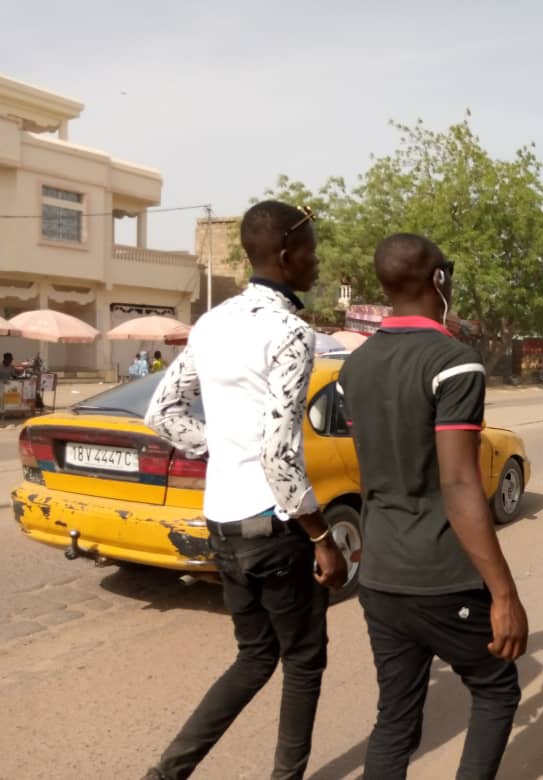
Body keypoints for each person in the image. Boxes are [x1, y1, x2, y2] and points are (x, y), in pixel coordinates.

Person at [143, 201, 347, 780]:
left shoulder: (213, 322)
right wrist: (322, 537)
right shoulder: (290, 332)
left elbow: (163, 412)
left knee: (255, 656)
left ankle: (167, 773)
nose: (316, 260)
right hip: (275, 528)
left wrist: (218, 446)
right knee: (304, 660)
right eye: (310, 250)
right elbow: (280, 453)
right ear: (286, 256)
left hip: (222, 524)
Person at [339, 234, 528, 779]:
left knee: (395, 720)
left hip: (379, 574)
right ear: (438, 280)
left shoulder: (357, 366)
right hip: (441, 575)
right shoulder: (455, 362)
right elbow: (461, 483)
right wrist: (504, 592)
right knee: (495, 689)